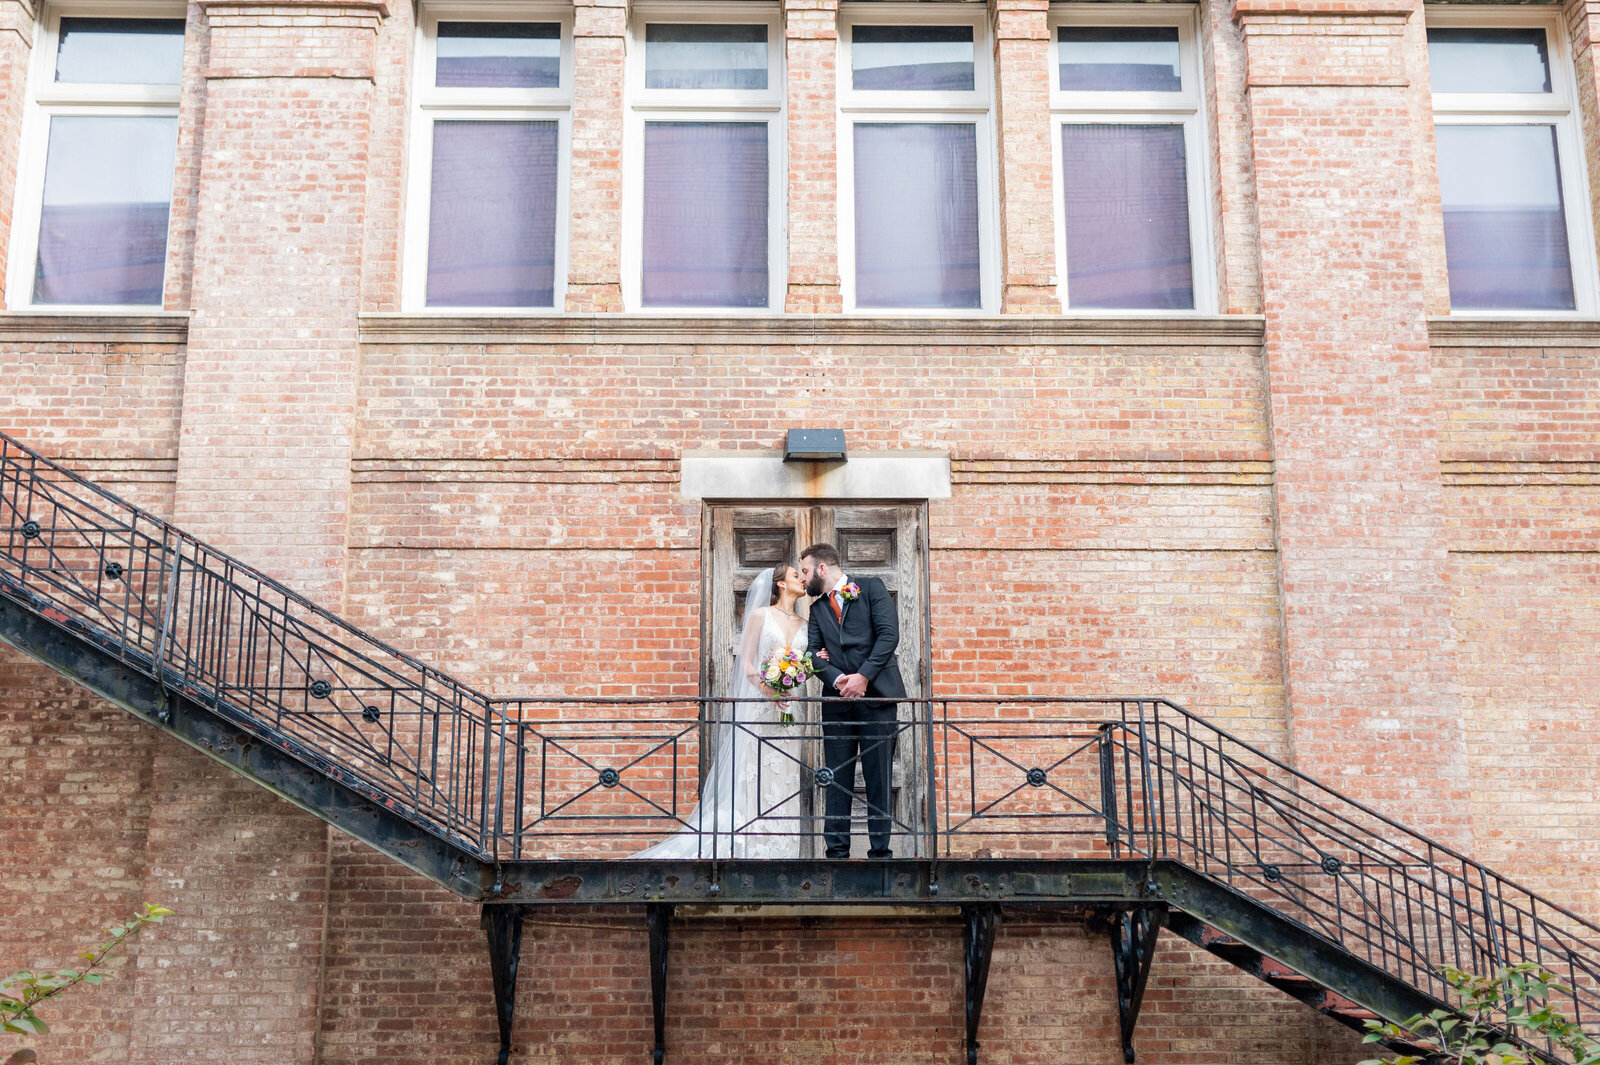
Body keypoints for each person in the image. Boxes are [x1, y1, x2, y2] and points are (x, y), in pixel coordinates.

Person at [632, 564, 810, 859]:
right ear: (779, 584)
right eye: (795, 575)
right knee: (753, 777)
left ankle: (782, 850)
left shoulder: (805, 624)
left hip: (789, 713)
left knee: (785, 778)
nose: (802, 580)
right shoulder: (760, 616)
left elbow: (805, 662)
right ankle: (751, 850)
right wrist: (767, 690)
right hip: (762, 710)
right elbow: (747, 664)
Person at [799, 543, 906, 860]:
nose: (803, 579)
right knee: (836, 779)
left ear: (821, 568)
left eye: (805, 571)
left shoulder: (872, 588)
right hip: (838, 704)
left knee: (879, 778)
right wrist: (836, 679)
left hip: (878, 699)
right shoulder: (817, 610)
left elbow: (889, 635)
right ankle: (836, 855)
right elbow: (811, 654)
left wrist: (863, 677)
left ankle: (881, 855)